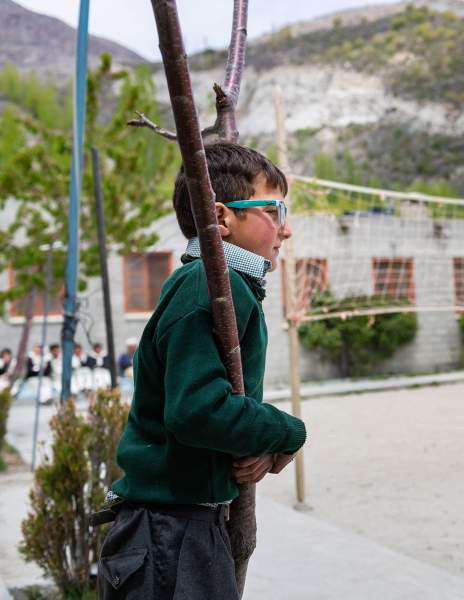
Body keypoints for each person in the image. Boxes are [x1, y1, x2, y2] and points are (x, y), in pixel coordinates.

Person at [98, 142, 307, 599]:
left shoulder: (228, 286)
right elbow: (197, 410)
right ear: (221, 218)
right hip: (168, 536)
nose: (286, 228)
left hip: (181, 527)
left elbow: (215, 409)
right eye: (273, 210)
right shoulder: (208, 286)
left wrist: (255, 445)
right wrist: (288, 432)